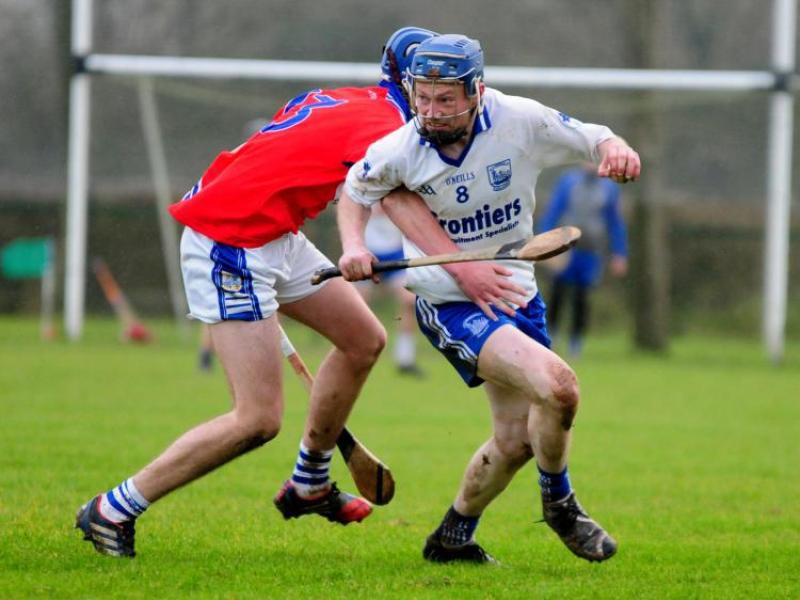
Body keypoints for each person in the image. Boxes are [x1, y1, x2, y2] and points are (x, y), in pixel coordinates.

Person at [74, 26, 438, 558]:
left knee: (363, 339)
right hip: (231, 241)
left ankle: (310, 481)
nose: (445, 101)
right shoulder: (386, 129)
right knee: (258, 419)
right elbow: (395, 199)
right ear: (408, 84)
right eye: (433, 87)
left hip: (271, 234)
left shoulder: (344, 98)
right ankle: (113, 508)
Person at [337, 34, 640, 564]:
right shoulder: (399, 149)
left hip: (517, 294)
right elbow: (355, 191)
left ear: (475, 90)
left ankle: (452, 537)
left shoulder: (519, 120)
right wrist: (355, 246)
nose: (431, 111)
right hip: (450, 304)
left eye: (445, 99)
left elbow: (593, 138)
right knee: (561, 387)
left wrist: (614, 147)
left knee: (516, 442)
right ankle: (560, 505)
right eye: (422, 96)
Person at [538, 163, 628, 357]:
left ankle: (575, 343)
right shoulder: (569, 181)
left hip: (591, 251)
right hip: (566, 248)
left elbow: (615, 223)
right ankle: (551, 336)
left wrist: (619, 253)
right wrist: (543, 243)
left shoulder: (610, 188)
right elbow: (553, 211)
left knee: (582, 297)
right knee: (557, 293)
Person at [357, 203, 424, 376]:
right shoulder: (357, 180)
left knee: (409, 301)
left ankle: (405, 359)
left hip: (395, 252)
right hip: (367, 250)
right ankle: (356, 353)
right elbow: (344, 205)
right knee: (357, 305)